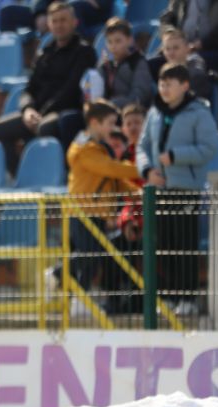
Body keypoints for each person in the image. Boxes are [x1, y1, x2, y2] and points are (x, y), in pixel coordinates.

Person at [137, 63, 217, 316]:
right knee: (165, 244)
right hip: (159, 191)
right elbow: (142, 145)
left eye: (170, 84)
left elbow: (208, 147)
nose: (164, 89)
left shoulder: (199, 112)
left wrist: (175, 156)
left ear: (185, 86)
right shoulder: (155, 112)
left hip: (186, 188)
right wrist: (147, 170)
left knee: (184, 244)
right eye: (162, 83)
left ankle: (188, 297)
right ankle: (170, 297)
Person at [0, 2, 96, 176]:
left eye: (64, 20)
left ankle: (51, 177)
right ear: (49, 24)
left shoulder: (84, 52)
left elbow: (71, 91)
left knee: (44, 127)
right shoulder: (44, 52)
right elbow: (29, 89)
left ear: (74, 22)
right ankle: (22, 177)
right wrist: (27, 109)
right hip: (37, 114)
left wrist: (41, 114)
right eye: (55, 21)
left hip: (64, 111)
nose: (59, 25)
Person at [65, 99, 140, 304]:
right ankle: (63, 280)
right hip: (83, 210)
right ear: (95, 123)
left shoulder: (100, 148)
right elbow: (111, 169)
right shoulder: (86, 150)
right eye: (110, 123)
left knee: (92, 256)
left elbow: (114, 180)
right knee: (91, 254)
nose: (113, 128)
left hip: (97, 210)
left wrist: (138, 192)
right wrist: (142, 168)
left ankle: (75, 297)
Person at [159, 0, 218, 71]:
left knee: (192, 65)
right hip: (180, 49)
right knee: (152, 65)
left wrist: (202, 44)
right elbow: (168, 18)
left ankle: (195, 98)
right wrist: (170, 35)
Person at [97, 17, 153, 109]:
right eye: (109, 42)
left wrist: (112, 105)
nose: (113, 46)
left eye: (118, 41)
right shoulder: (105, 65)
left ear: (130, 40)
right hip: (106, 115)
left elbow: (139, 96)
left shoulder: (138, 62)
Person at [153, 26, 214, 102]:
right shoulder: (161, 67)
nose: (171, 53)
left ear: (187, 48)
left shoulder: (195, 66)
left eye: (176, 48)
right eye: (167, 49)